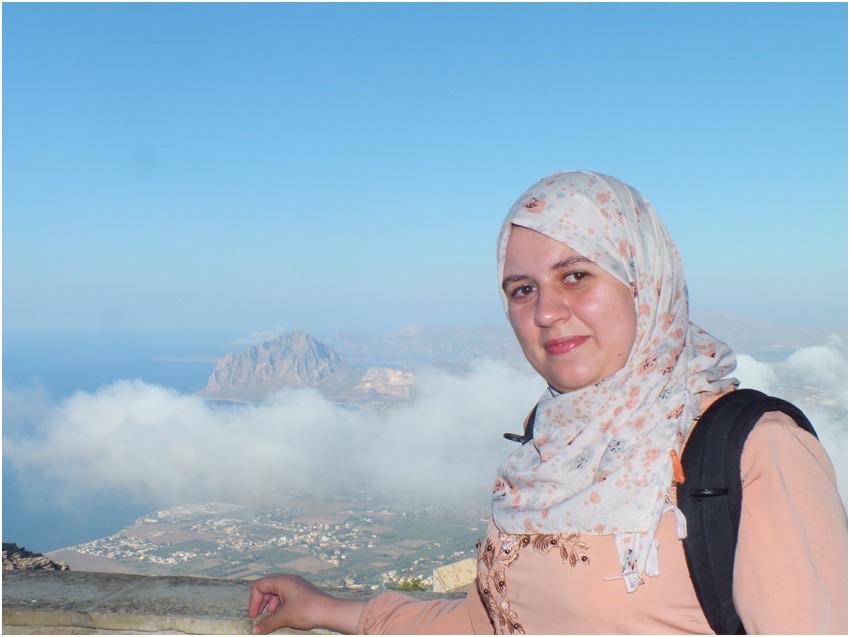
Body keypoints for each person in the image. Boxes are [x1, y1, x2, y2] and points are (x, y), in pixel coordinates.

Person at [248, 171, 848, 634]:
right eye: (522, 289)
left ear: (643, 281)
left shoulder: (753, 449)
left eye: (576, 275)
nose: (545, 311)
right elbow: (488, 623)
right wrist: (328, 610)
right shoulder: (549, 443)